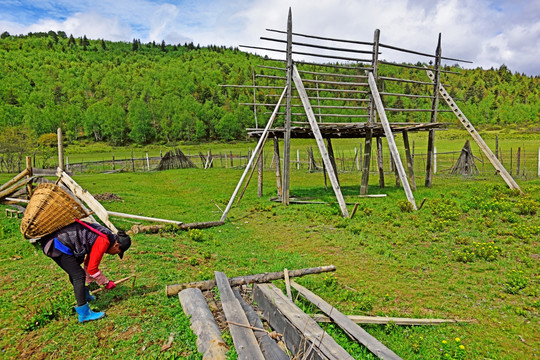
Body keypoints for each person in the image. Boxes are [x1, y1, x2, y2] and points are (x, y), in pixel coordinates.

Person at [39, 219, 131, 323]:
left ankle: (85, 295)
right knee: (78, 275)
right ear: (117, 245)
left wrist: (91, 281)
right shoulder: (104, 241)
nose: (114, 254)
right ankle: (84, 313)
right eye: (118, 252)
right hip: (57, 244)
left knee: (76, 271)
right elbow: (92, 269)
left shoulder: (105, 236)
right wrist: (106, 283)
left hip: (56, 242)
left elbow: (88, 263)